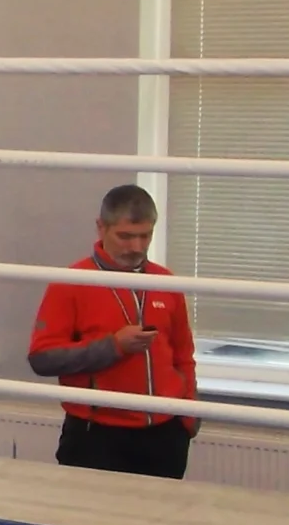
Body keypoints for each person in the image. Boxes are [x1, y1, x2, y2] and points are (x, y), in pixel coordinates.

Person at [28, 184, 198, 480]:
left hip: (165, 434)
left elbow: (183, 354)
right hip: (97, 436)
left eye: (145, 236)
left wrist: (188, 415)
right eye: (126, 236)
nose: (136, 247)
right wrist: (114, 346)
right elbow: (42, 359)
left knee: (159, 511)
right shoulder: (71, 282)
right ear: (101, 228)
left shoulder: (165, 281)